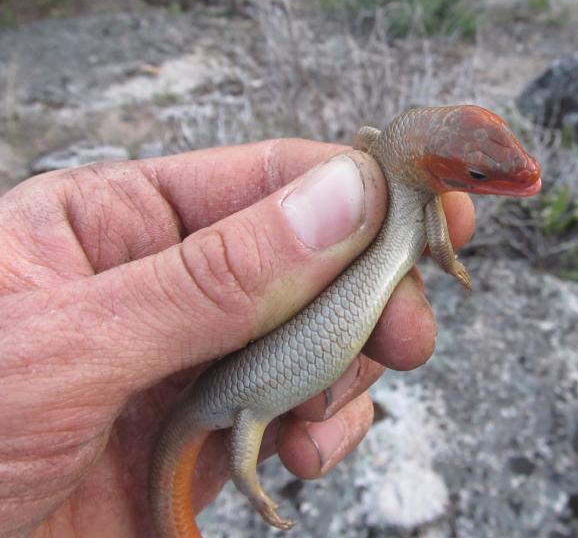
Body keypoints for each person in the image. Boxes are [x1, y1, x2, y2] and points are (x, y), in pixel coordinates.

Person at [0, 138, 475, 537]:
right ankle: (256, 494)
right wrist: (253, 488)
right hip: (243, 397)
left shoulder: (421, 197)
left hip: (251, 381)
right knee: (261, 431)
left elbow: (434, 235)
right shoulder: (400, 183)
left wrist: (452, 263)